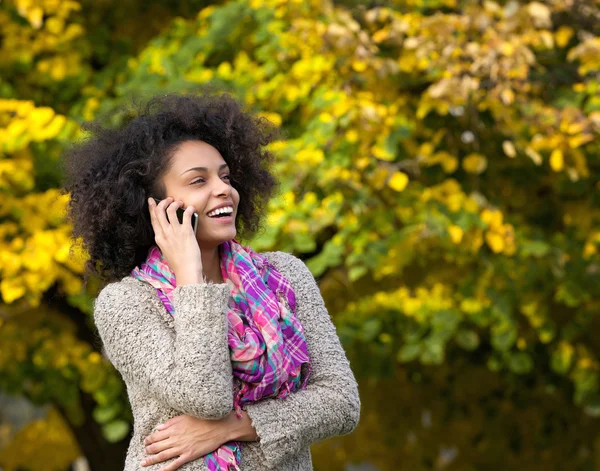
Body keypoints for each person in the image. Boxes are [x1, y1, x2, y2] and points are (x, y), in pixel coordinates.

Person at [61, 93, 360, 471]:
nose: (223, 189)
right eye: (198, 181)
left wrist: (234, 427)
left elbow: (341, 400)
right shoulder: (124, 303)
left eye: (225, 176)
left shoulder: (285, 275)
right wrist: (191, 278)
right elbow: (205, 396)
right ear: (154, 206)